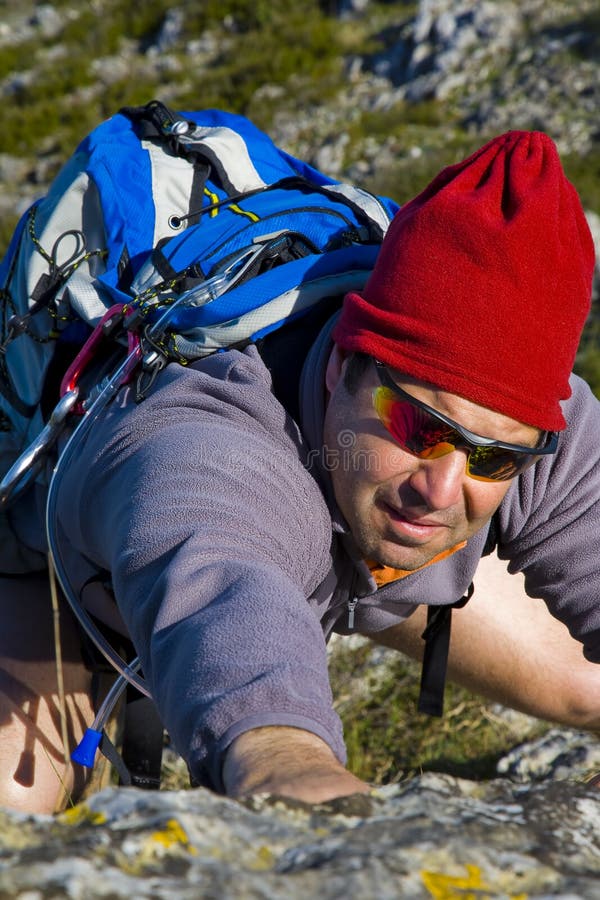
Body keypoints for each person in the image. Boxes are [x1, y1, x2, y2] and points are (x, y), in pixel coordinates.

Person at [1, 129, 599, 813]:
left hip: (336, 536)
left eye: (494, 458)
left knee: (584, 684)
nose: (440, 488)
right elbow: (223, 576)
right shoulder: (211, 444)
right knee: (17, 804)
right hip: (77, 556)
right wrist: (283, 756)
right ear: (343, 366)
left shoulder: (521, 415)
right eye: (419, 427)